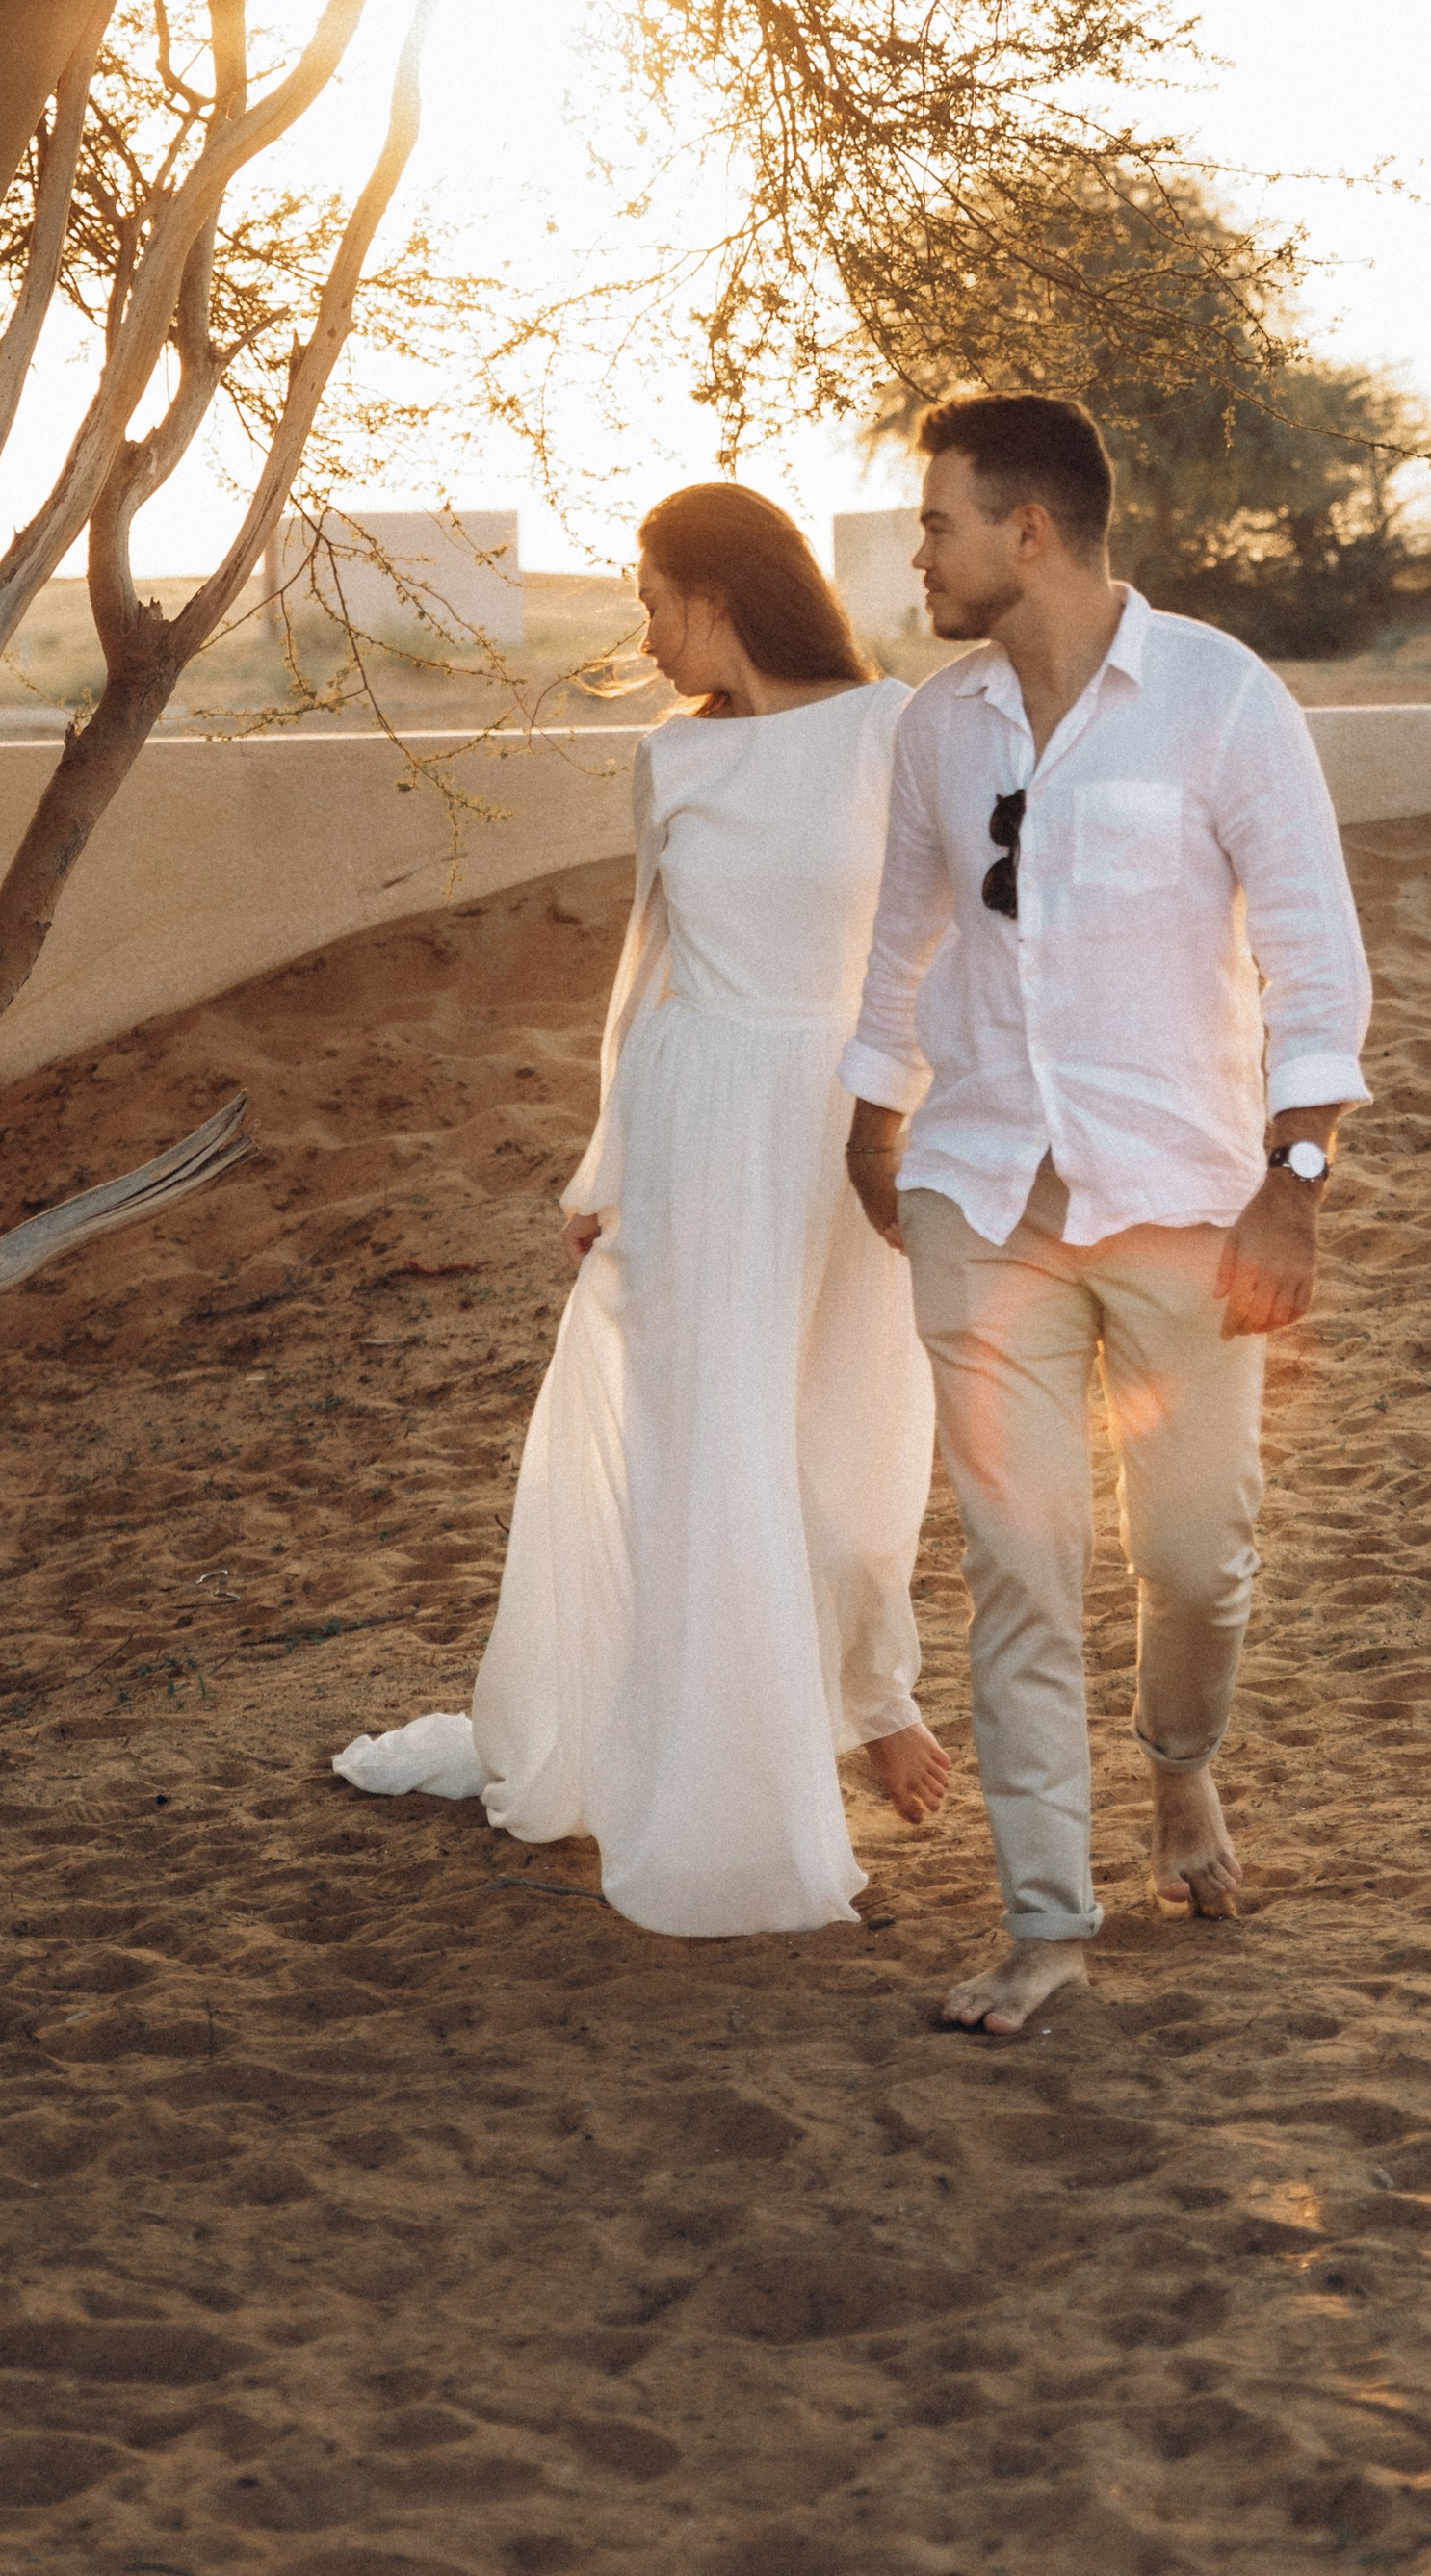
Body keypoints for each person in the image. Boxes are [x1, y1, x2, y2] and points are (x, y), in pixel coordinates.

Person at [337, 482, 950, 1934]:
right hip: (696, 1118)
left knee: (853, 1439)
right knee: (700, 1445)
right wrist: (604, 1171)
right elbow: (645, 979)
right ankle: (736, 1774)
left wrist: (924, 1118)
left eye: (651, 596)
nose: (643, 626)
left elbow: (933, 942)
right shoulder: (668, 763)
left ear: (717, 598)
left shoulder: (893, 731)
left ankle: (871, 1696)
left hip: (849, 1113)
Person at [840, 394, 1370, 2035]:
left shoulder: (1218, 700)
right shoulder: (942, 727)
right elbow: (899, 942)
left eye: (935, 524)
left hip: (1186, 1206)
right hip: (982, 1198)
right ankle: (1045, 1925)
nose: (915, 555)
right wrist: (874, 1125)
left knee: (1198, 1560)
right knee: (1020, 1562)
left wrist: (1293, 1187)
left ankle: (1182, 1772)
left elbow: (1314, 957)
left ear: (1031, 533)